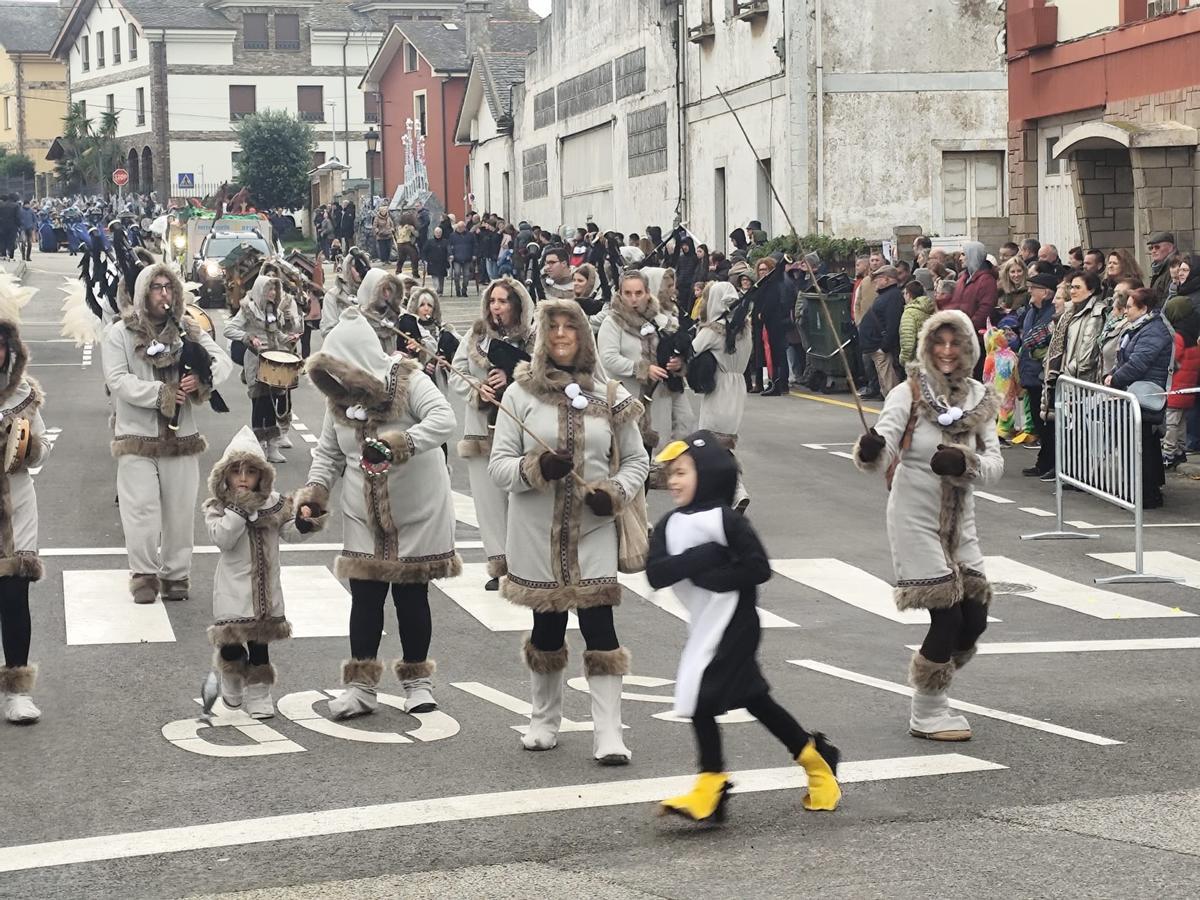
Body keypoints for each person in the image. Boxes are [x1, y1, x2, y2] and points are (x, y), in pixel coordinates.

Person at [649, 432, 841, 822]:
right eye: (671, 474)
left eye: (682, 472)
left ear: (708, 473)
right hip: (704, 623)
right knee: (756, 700)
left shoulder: (727, 520)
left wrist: (716, 577)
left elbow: (758, 568)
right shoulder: (668, 524)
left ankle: (711, 784)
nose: (673, 481)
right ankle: (815, 757)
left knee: (700, 696)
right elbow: (656, 573)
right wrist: (704, 558)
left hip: (736, 621)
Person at [488, 299, 648, 764]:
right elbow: (499, 466)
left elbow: (638, 460)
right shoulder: (519, 396)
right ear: (541, 337)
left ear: (584, 336)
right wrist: (537, 466)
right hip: (536, 534)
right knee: (547, 625)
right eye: (552, 327)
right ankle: (543, 719)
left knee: (600, 624)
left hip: (594, 530)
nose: (560, 335)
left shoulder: (612, 394)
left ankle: (609, 734)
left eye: (570, 327)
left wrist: (614, 491)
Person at [297, 308, 460, 718]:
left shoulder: (408, 380)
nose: (339, 386)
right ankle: (361, 687)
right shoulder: (338, 400)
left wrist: (398, 442)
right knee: (366, 596)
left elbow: (444, 419)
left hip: (418, 504)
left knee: (411, 593)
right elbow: (329, 454)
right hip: (363, 510)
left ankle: (417, 682)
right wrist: (314, 495)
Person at [854, 310, 1002, 740]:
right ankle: (928, 710)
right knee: (948, 618)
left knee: (975, 618)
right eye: (939, 342)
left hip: (961, 522)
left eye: (956, 342)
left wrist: (965, 462)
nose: (947, 351)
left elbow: (995, 464)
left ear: (970, 348)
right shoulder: (908, 393)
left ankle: (934, 677)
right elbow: (881, 452)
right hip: (913, 516)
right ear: (926, 346)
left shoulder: (980, 397)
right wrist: (869, 449)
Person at [102, 262, 233, 604]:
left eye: (169, 287)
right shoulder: (120, 333)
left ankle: (176, 574)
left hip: (181, 439)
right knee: (141, 511)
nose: (164, 293)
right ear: (144, 292)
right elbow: (117, 380)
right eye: (157, 287)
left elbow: (221, 361)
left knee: (179, 511)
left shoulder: (187, 329)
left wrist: (201, 380)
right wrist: (159, 393)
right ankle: (144, 574)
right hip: (137, 439)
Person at [204, 426, 318, 718]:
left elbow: (289, 532)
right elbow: (223, 539)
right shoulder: (218, 507)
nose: (243, 478)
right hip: (232, 589)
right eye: (236, 471)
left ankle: (260, 695)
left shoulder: (275, 504)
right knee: (231, 644)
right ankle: (231, 674)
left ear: (261, 476)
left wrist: (305, 522)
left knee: (260, 647)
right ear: (225, 475)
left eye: (251, 472)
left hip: (265, 591)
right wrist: (239, 510)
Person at [452, 277, 535, 590]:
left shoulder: (532, 336)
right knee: (488, 500)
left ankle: (523, 563)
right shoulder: (476, 335)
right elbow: (457, 373)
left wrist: (513, 376)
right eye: (492, 301)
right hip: (481, 427)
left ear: (516, 305)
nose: (496, 307)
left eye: (503, 301)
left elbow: (542, 374)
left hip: (519, 428)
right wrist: (478, 389)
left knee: (520, 498)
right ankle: (499, 563)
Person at [0, 312, 51, 723]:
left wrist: (29, 445)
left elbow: (44, 449)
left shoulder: (26, 395)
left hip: (16, 505)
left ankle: (18, 691)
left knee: (14, 593)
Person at [598, 270, 693, 456]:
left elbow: (677, 347)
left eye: (638, 293)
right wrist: (642, 368)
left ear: (648, 293)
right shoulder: (612, 322)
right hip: (626, 395)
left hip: (659, 394)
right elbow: (608, 358)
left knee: (660, 440)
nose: (634, 299)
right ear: (620, 293)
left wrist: (678, 364)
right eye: (628, 293)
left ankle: (660, 470)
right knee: (628, 448)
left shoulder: (662, 320)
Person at [1107, 288, 1175, 508]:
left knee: (1140, 444)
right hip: (1137, 392)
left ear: (1143, 308)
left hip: (1146, 394)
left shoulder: (1153, 330)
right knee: (1143, 442)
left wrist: (1115, 379)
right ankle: (1146, 489)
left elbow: (1139, 363)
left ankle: (1146, 493)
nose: (1125, 311)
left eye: (1129, 307)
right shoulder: (1142, 327)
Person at [223, 274, 302, 462]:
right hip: (256, 362)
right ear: (261, 290)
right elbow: (229, 329)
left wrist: (288, 339)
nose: (273, 293)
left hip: (274, 362)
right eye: (269, 289)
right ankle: (259, 446)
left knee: (273, 404)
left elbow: (277, 334)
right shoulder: (248, 310)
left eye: (275, 289)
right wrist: (248, 338)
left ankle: (272, 447)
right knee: (259, 403)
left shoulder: (274, 311)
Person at [692, 282, 753, 510]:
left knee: (710, 444)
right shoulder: (744, 330)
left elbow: (692, 349)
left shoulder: (713, 331)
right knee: (722, 445)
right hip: (738, 388)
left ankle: (735, 490)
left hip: (719, 389)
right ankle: (726, 492)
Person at [1162, 296, 1200, 468]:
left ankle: (1168, 453)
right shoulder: (1193, 333)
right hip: (1188, 386)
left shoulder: (1177, 335)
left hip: (1175, 386)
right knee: (1181, 421)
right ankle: (1180, 450)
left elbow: (1172, 358)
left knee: (1171, 422)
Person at [859, 265, 905, 396]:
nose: (875, 282)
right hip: (875, 345)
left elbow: (892, 324)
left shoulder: (893, 297)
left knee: (890, 384)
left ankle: (895, 406)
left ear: (887, 279)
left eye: (878, 279)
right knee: (885, 382)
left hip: (880, 347)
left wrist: (884, 347)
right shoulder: (886, 295)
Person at [403, 286, 457, 395]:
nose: (426, 309)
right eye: (422, 305)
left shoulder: (444, 328)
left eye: (430, 305)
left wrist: (446, 362)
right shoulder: (410, 329)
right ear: (415, 308)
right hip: (420, 381)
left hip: (442, 381)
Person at [944, 241, 998, 332]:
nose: (960, 258)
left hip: (975, 335)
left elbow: (985, 310)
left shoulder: (987, 281)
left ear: (973, 255)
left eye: (963, 254)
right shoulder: (962, 278)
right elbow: (956, 302)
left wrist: (967, 327)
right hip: (960, 332)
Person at [320, 248, 367, 336]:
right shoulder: (334, 296)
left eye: (363, 267)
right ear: (347, 269)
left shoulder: (373, 293)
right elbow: (328, 330)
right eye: (356, 267)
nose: (360, 271)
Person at [899, 280, 935, 367]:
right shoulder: (931, 308)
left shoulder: (909, 313)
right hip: (930, 358)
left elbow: (908, 342)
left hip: (915, 362)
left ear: (908, 294)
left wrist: (904, 360)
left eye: (904, 294)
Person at [449, 221, 476, 297]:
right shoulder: (452, 236)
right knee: (457, 273)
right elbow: (449, 246)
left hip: (467, 258)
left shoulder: (470, 235)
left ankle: (464, 289)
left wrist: (474, 254)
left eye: (462, 227)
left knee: (466, 275)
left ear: (464, 227)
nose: (460, 229)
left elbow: (474, 245)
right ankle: (457, 289)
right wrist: (450, 254)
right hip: (456, 258)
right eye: (459, 227)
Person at [1147, 231, 1177, 300]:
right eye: (1151, 248)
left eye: (1157, 247)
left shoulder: (1174, 268)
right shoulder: (1159, 268)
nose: (1153, 251)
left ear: (1170, 248)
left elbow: (1168, 298)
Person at [423, 226, 451, 295]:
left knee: (441, 277)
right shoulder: (430, 242)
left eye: (439, 232)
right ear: (434, 233)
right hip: (432, 262)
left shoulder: (445, 242)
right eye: (437, 232)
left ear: (441, 233)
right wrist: (424, 259)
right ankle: (437, 289)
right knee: (434, 277)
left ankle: (440, 290)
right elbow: (424, 251)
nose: (438, 234)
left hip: (442, 262)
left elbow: (449, 251)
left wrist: (450, 256)